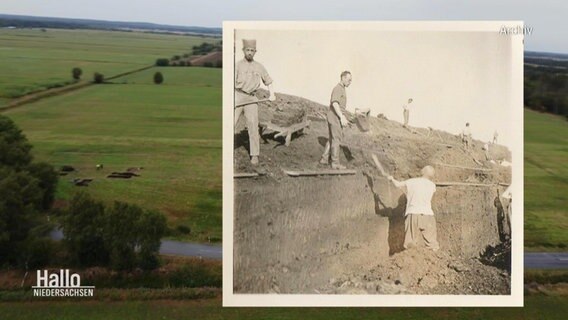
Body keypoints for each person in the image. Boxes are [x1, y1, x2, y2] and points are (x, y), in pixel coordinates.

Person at [234, 39, 276, 165]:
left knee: (253, 126)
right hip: (237, 96)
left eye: (252, 50)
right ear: (243, 51)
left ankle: (255, 155)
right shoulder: (237, 65)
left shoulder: (259, 66)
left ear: (255, 52)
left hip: (252, 99)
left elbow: (268, 81)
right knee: (230, 124)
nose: (250, 53)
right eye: (248, 50)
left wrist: (272, 94)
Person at [388, 166, 440, 251]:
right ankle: (434, 260)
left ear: (423, 172)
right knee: (432, 243)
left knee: (410, 242)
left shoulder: (412, 181)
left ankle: (410, 260)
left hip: (413, 213)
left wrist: (392, 179)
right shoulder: (432, 185)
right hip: (428, 215)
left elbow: (397, 184)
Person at [320, 71, 352, 169]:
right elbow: (335, 103)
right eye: (349, 79)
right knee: (336, 139)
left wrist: (344, 116)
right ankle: (335, 163)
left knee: (331, 139)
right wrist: (341, 117)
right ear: (343, 78)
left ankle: (324, 159)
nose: (350, 82)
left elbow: (340, 106)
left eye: (351, 80)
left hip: (333, 116)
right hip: (334, 116)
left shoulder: (341, 89)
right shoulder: (338, 88)